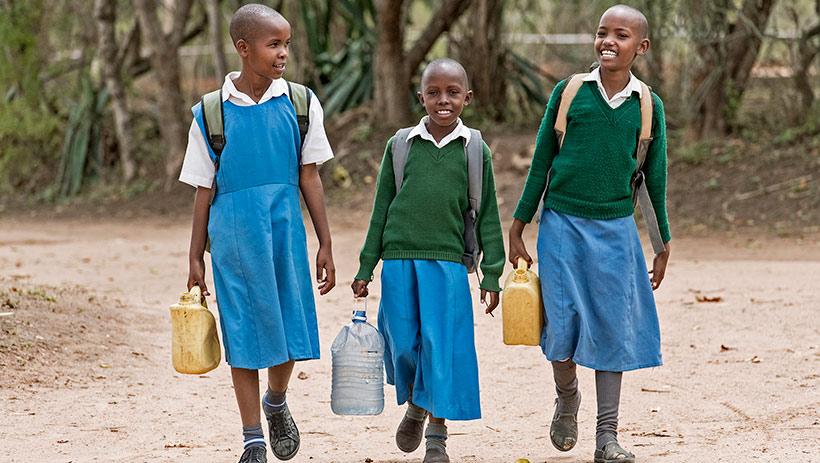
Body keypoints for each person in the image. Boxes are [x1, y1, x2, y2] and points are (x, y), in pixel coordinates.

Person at [507, 5, 671, 463]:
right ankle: (567, 395)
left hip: (616, 232)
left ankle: (606, 436)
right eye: (602, 33)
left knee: (611, 329)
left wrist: (661, 245)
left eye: (621, 35)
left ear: (641, 47)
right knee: (560, 326)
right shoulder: (570, 92)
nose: (608, 42)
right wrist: (518, 226)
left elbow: (655, 180)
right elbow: (542, 162)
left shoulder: (647, 105)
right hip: (561, 226)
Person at [179, 4, 335, 462]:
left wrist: (325, 242)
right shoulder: (211, 113)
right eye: (274, 44)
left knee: (288, 325)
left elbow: (310, 175)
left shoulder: (301, 103)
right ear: (243, 48)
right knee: (243, 333)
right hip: (233, 238)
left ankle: (276, 401)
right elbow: (203, 190)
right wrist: (195, 256)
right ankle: (252, 438)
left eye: (287, 43)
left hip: (284, 231)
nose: (283, 52)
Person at [351, 58, 505, 463]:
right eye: (433, 93)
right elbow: (381, 208)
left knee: (442, 347)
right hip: (399, 262)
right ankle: (416, 404)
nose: (443, 100)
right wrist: (366, 266)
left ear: (468, 98)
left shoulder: (475, 150)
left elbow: (487, 215)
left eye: (453, 92)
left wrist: (492, 273)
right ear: (421, 97)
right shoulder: (401, 145)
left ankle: (436, 436)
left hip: (447, 264)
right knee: (403, 343)